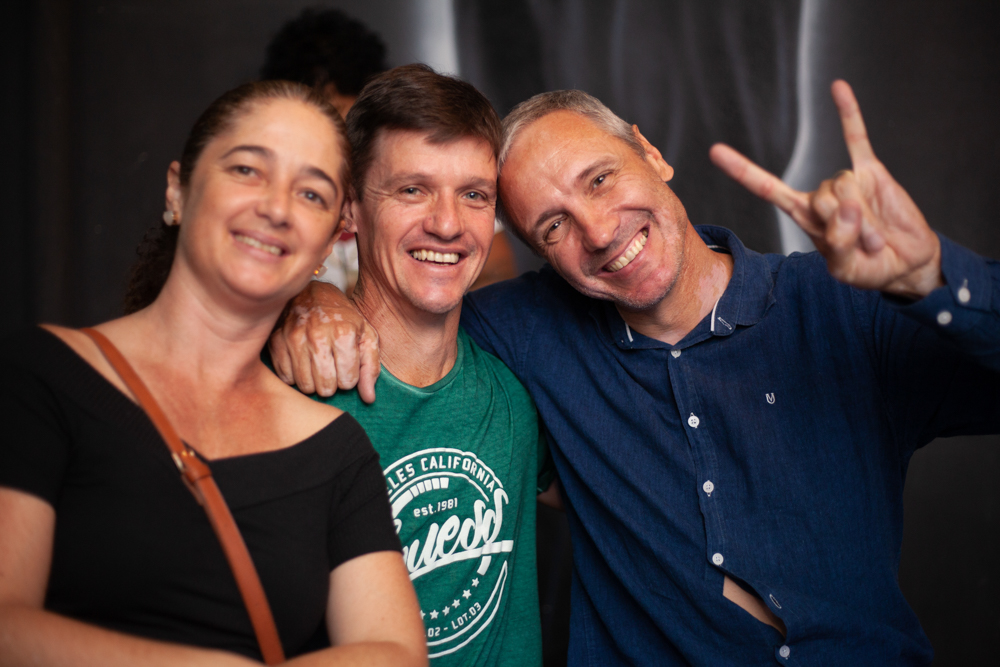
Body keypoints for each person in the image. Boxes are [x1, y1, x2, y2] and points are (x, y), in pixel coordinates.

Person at [271, 80, 1000, 665]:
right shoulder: (523, 331)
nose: (596, 230)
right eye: (553, 226)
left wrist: (933, 277)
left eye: (599, 178)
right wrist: (308, 298)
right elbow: (406, 307)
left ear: (649, 151)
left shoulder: (841, 303)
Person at [0, 80, 427, 666]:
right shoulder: (42, 377)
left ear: (329, 245)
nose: (276, 208)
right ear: (177, 190)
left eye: (311, 193)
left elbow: (395, 653)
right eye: (247, 170)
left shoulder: (335, 447)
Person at [270, 63, 555, 666]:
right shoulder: (288, 389)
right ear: (349, 209)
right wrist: (300, 297)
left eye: (473, 195)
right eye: (412, 190)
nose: (447, 224)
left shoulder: (516, 395)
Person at [260, 7, 518, 297]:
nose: (447, 225)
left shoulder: (451, 184)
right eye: (411, 191)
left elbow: (498, 273)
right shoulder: (272, 216)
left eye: (345, 121)